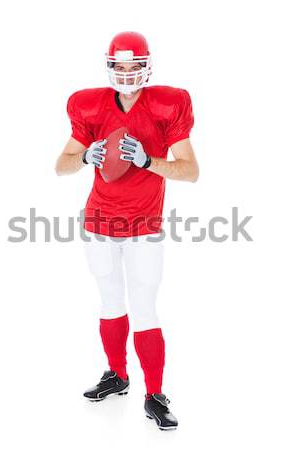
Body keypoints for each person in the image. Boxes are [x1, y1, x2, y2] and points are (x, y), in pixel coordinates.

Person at [55, 31, 199, 431]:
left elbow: (190, 171)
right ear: (109, 67)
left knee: (145, 305)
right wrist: (85, 155)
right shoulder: (91, 106)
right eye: (119, 66)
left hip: (144, 224)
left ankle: (154, 393)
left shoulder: (167, 105)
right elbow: (60, 165)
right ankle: (117, 376)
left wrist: (149, 160)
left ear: (146, 66)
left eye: (134, 65)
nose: (126, 73)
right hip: (100, 220)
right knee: (109, 300)